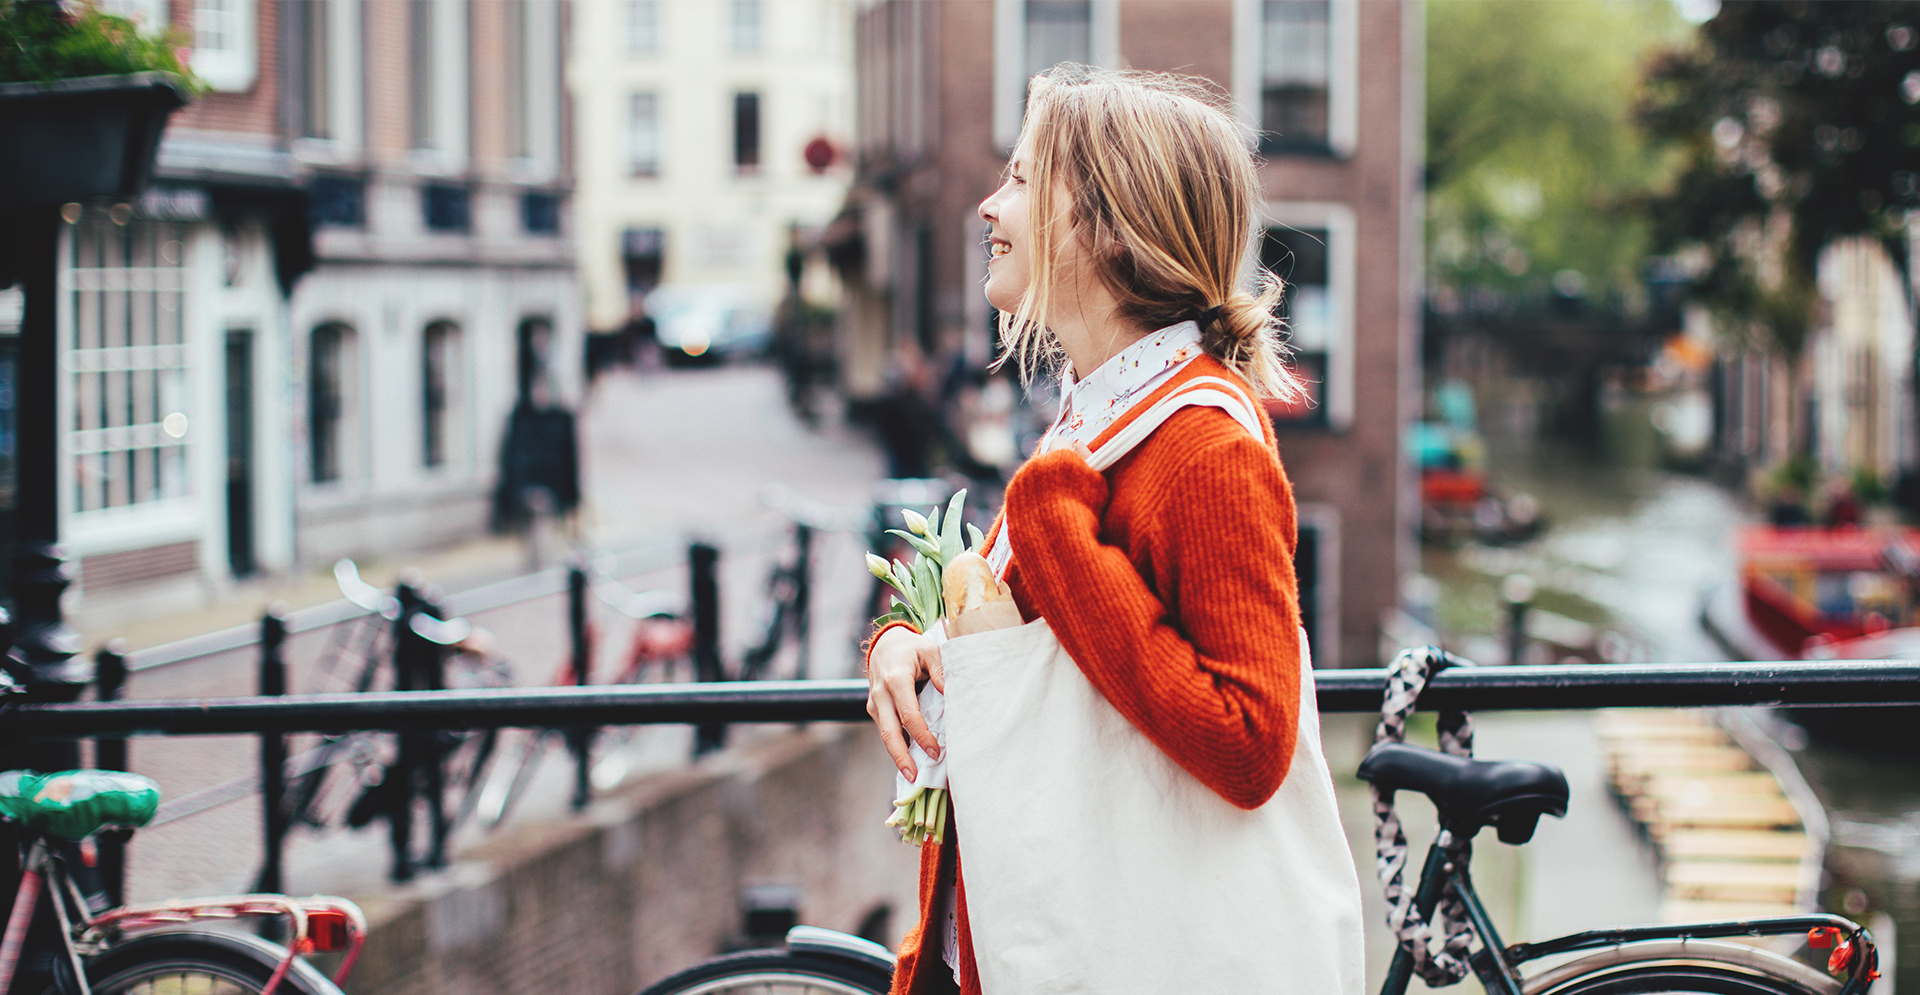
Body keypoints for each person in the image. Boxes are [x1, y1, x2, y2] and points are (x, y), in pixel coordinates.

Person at [863, 66, 1363, 995]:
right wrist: (907, 646)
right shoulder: (1097, 419)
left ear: (1101, 219)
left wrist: (1054, 524)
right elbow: (1037, 639)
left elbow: (1250, 740)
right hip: (1011, 940)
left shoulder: (1202, 448)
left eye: (1019, 179)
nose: (988, 203)